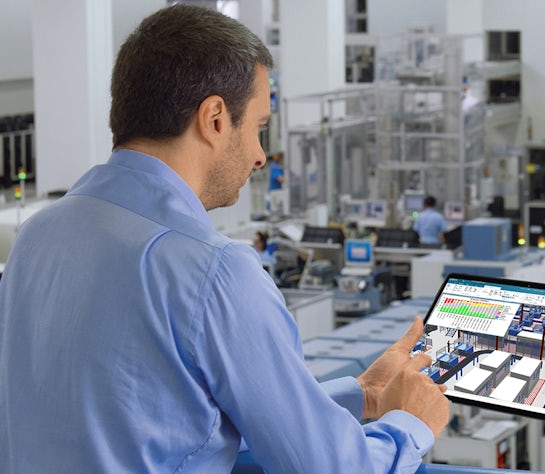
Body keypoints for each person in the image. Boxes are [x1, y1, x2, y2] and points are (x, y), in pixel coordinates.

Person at [0, 5, 449, 473]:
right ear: (215, 118)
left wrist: (365, 395)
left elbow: (166, 418)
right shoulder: (213, 270)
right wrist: (409, 424)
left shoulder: (37, 237)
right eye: (258, 127)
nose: (260, 156)